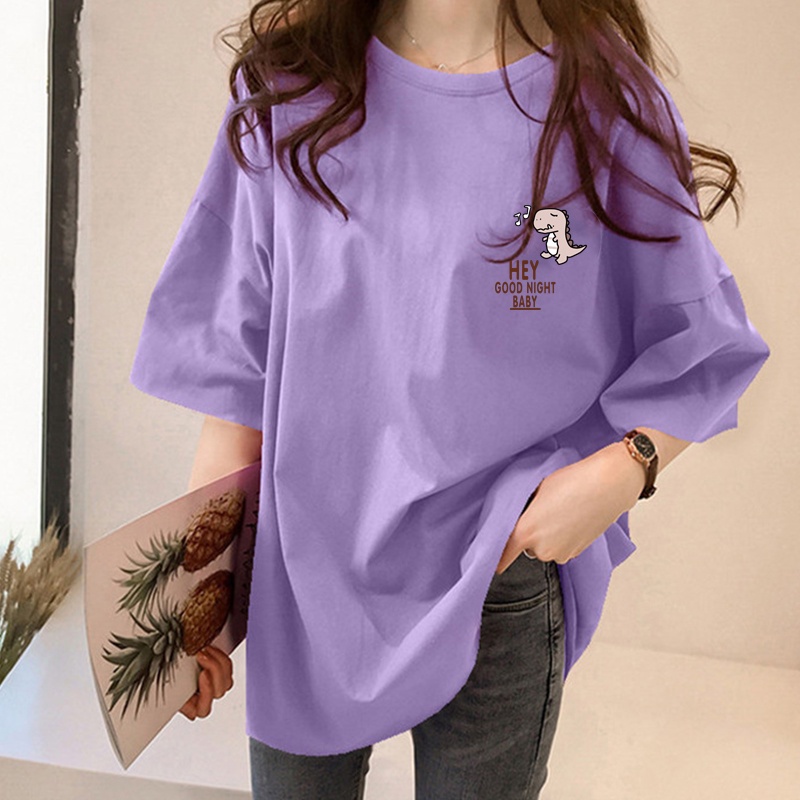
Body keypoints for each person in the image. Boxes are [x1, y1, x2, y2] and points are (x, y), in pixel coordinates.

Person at [129, 0, 771, 797]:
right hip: (306, 574)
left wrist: (623, 470)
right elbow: (236, 382)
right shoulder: (290, 87)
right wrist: (199, 596)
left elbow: (703, 338)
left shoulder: (599, 94)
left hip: (499, 566)